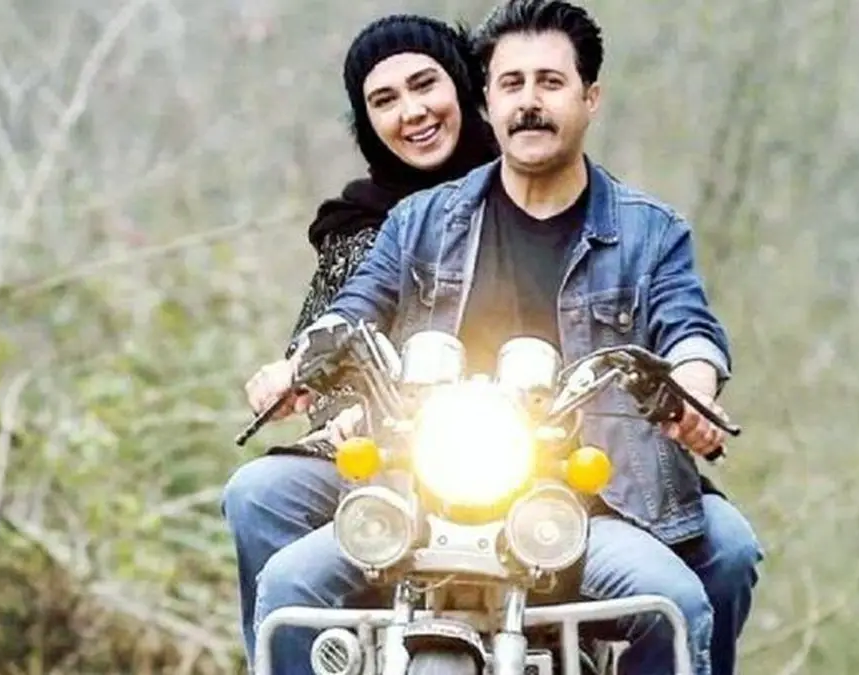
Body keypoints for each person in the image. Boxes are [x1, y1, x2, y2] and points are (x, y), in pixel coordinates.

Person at [240, 1, 764, 673]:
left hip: (583, 507)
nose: (530, 103)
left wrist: (693, 389)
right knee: (287, 587)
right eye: (512, 84)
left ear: (590, 97)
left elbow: (688, 327)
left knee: (677, 601)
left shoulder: (650, 231)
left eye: (551, 82)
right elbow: (355, 305)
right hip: (422, 494)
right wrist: (295, 365)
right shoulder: (420, 219)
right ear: (487, 99)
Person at [219, 12, 498, 663]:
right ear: (367, 121)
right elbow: (324, 344)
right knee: (255, 494)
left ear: (462, 86)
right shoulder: (359, 223)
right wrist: (316, 390)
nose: (412, 112)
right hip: (383, 455)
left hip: (516, 453)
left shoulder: (524, 194)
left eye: (425, 85)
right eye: (384, 100)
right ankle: (315, 656)